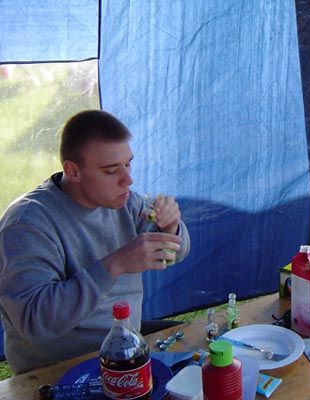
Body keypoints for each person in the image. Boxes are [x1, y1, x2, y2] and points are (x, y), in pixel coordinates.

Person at [0, 110, 191, 374]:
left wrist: (170, 228)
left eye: (128, 164)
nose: (128, 180)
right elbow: (35, 320)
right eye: (111, 170)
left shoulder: (125, 202)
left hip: (125, 347)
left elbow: (173, 253)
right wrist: (114, 265)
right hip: (59, 368)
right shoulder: (27, 224)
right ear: (72, 171)